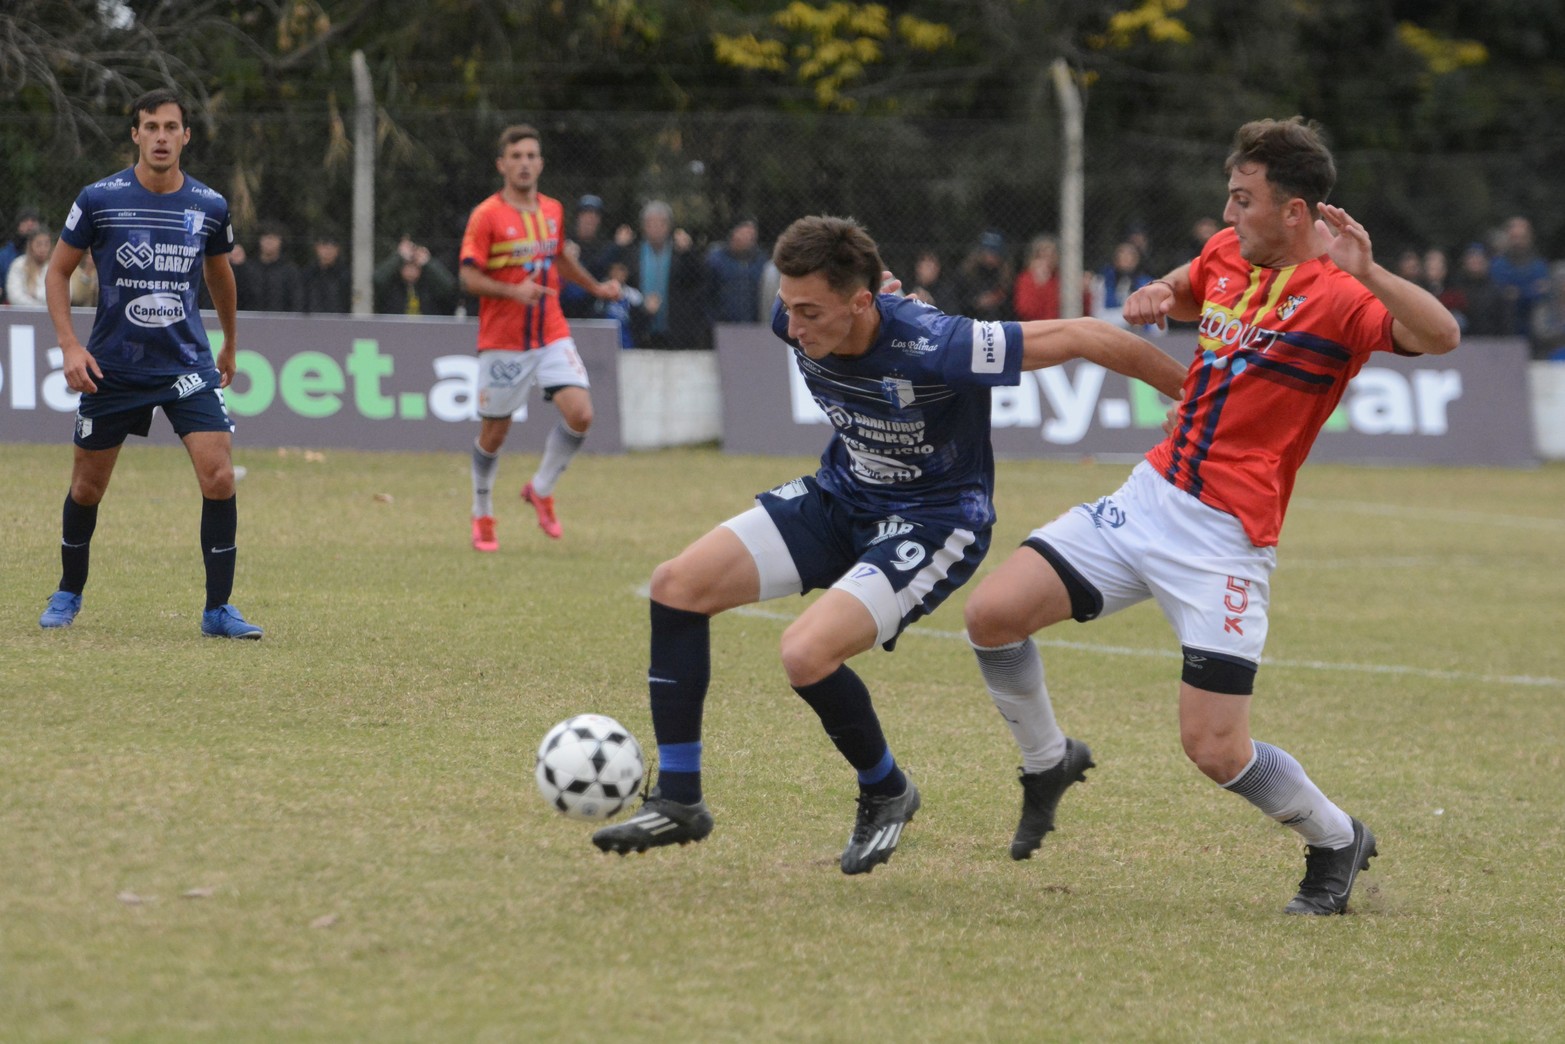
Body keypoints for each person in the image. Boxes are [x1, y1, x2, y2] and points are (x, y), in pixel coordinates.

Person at [960, 116, 1459, 915]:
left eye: (1242, 199)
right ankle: (1048, 759)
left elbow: (1439, 336)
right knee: (991, 614)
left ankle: (1336, 838)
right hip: (1148, 496)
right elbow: (1185, 283)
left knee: (1214, 748)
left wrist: (1372, 273)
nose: (1228, 214)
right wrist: (1159, 292)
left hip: (1224, 540)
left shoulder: (1342, 297)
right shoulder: (1228, 252)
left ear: (1293, 211)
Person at [590, 214, 1188, 874]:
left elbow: (1087, 336)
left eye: (811, 312)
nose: (794, 326)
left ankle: (886, 790)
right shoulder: (793, 318)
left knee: (804, 653)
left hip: (933, 522)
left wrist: (1198, 401)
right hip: (841, 498)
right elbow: (814, 309)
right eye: (788, 307)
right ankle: (679, 799)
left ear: (860, 302)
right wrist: (817, 309)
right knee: (675, 587)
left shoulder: (939, 343)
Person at [37, 87, 261, 639]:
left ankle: (218, 610)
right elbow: (58, 272)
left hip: (186, 365)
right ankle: (68, 591)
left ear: (186, 136)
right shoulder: (100, 199)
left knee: (219, 476)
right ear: (136, 134)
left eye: (171, 127)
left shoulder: (209, 205)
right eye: (151, 127)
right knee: (86, 488)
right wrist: (70, 346)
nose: (161, 137)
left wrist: (230, 343)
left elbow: (220, 275)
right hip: (113, 368)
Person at [458, 124, 621, 549]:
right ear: (502, 164)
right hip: (504, 340)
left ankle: (541, 489)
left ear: (541, 163)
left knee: (581, 414)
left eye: (531, 156)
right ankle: (482, 511)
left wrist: (595, 288)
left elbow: (560, 257)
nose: (525, 163)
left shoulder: (552, 210)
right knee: (495, 434)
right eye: (516, 156)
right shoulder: (486, 215)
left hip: (551, 331)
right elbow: (468, 277)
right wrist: (513, 291)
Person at [628, 200, 707, 349]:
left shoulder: (680, 253)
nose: (656, 228)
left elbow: (699, 278)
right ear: (643, 226)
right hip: (640, 331)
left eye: (661, 223)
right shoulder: (633, 253)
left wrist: (688, 252)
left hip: (675, 333)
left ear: (669, 226)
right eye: (651, 223)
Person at [1488, 215, 1551, 337]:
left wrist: (1518, 293)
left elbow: (1542, 294)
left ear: (1530, 238)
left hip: (1535, 330)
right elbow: (1501, 294)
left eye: (1522, 237)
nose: (1518, 242)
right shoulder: (1497, 265)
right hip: (1503, 328)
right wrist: (1530, 290)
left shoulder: (1539, 266)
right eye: (1514, 237)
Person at [705, 218, 769, 324]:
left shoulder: (762, 261)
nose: (750, 237)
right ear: (734, 233)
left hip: (753, 324)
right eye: (745, 233)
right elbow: (707, 293)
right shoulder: (716, 260)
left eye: (752, 234)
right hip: (722, 324)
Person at [374, 235, 458, 315]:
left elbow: (449, 288)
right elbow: (377, 281)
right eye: (407, 264)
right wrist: (398, 257)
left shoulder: (430, 286)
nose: (411, 269)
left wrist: (428, 262)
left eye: (415, 264)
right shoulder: (391, 286)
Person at [955, 230, 1012, 321]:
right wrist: (977, 303)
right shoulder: (966, 274)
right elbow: (958, 303)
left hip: (1000, 324)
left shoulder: (1006, 276)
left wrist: (999, 301)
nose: (991, 255)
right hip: (971, 322)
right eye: (988, 251)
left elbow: (1012, 308)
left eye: (995, 252)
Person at [1093, 239, 1154, 324]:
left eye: (1129, 256)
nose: (1125, 259)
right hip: (1108, 323)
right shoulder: (1103, 280)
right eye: (1121, 256)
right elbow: (1098, 313)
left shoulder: (1145, 283)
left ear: (1136, 260)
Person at [249, 224, 304, 312]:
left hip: (282, 319)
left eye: (273, 238)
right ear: (259, 241)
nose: (269, 242)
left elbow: (297, 300)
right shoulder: (250, 269)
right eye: (265, 237)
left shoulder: (290, 271)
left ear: (280, 241)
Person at [301, 229, 352, 314]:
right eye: (324, 246)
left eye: (332, 246)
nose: (328, 251)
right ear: (317, 248)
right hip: (312, 320)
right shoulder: (307, 274)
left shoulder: (345, 275)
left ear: (337, 250)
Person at [0, 206, 43, 303]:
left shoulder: (49, 256)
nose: (30, 224)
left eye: (33, 220)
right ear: (18, 226)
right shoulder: (4, 256)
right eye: (25, 220)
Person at [5, 227, 53, 306]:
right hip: (23, 312)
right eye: (38, 244)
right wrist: (37, 307)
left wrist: (35, 293)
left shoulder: (55, 266)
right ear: (30, 245)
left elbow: (64, 294)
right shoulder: (18, 264)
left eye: (46, 244)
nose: (43, 249)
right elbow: (14, 296)